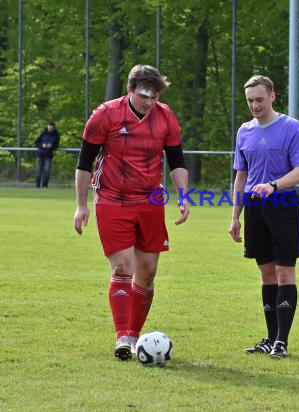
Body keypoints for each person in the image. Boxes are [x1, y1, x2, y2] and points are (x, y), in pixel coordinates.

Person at [73, 64, 190, 360]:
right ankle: (122, 336)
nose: (149, 102)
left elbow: (176, 161)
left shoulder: (166, 117)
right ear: (129, 89)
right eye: (143, 95)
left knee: (147, 273)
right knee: (123, 267)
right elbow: (85, 162)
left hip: (150, 201)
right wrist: (81, 204)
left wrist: (184, 196)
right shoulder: (105, 115)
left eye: (154, 96)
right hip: (113, 199)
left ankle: (134, 335)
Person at [229, 75, 299, 358]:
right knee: (266, 273)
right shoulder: (244, 131)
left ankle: (282, 342)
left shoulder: (290, 127)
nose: (254, 105)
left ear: (273, 96)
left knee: (285, 272)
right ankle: (271, 338)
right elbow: (241, 175)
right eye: (250, 101)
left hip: (283, 203)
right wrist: (235, 216)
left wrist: (273, 185)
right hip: (254, 207)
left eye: (260, 99)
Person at [34, 121, 60, 188]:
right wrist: (42, 145)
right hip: (40, 154)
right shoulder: (43, 133)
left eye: (51, 127)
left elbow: (56, 144)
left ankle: (45, 185)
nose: (50, 128)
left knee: (47, 170)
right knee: (38, 170)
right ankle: (37, 186)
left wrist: (51, 146)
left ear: (54, 127)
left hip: (48, 155)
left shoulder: (56, 134)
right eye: (49, 127)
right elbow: (36, 142)